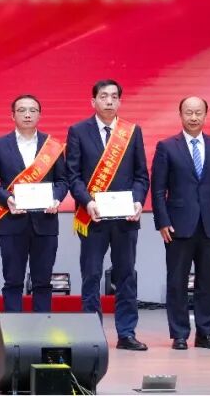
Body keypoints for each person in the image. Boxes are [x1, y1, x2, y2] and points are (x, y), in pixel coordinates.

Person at [67, 79, 150, 350]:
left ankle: (126, 334)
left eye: (114, 96)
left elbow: (141, 175)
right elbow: (73, 176)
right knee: (91, 275)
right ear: (93, 101)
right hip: (93, 217)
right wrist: (87, 202)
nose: (109, 101)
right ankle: (91, 334)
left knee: (126, 276)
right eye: (104, 96)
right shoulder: (78, 131)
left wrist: (137, 202)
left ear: (120, 101)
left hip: (126, 219)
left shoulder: (132, 132)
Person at [151, 96, 210, 351]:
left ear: (206, 115)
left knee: (207, 282)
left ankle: (205, 334)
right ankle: (179, 335)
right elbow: (158, 189)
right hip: (177, 226)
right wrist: (162, 221)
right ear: (180, 115)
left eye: (198, 112)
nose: (194, 117)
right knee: (177, 282)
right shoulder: (166, 147)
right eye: (189, 112)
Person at [0, 94, 68, 312]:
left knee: (43, 282)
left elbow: (62, 181)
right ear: (13, 115)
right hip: (11, 222)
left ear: (40, 115)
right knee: (13, 281)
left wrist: (56, 198)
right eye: (21, 110)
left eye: (32, 110)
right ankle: (13, 328)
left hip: (45, 222)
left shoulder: (52, 146)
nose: (27, 114)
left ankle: (42, 326)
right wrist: (7, 198)